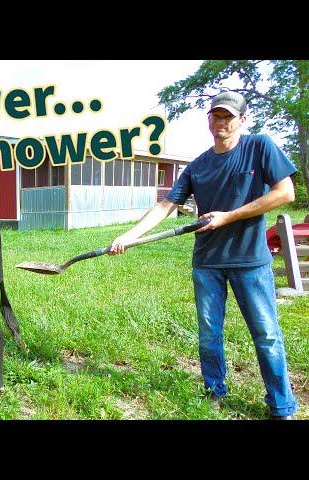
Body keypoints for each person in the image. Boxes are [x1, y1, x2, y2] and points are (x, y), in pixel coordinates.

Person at [109, 91, 298, 419]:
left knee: (266, 334)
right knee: (210, 332)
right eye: (216, 116)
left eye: (228, 116)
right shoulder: (198, 165)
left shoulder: (259, 147)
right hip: (208, 263)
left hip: (249, 261)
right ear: (208, 119)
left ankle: (281, 406)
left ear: (241, 119)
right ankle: (214, 390)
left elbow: (285, 193)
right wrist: (128, 235)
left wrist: (229, 216)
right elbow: (167, 204)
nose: (221, 122)